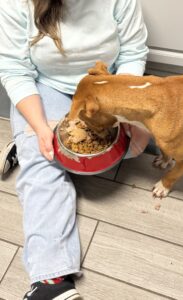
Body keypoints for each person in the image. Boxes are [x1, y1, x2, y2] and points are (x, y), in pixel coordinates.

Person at [0, 0, 149, 299]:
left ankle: (28, 141)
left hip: (105, 84)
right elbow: (15, 70)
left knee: (133, 147)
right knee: (43, 160)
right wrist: (42, 129)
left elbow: (133, 52)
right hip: (47, 88)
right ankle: (50, 280)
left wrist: (126, 113)